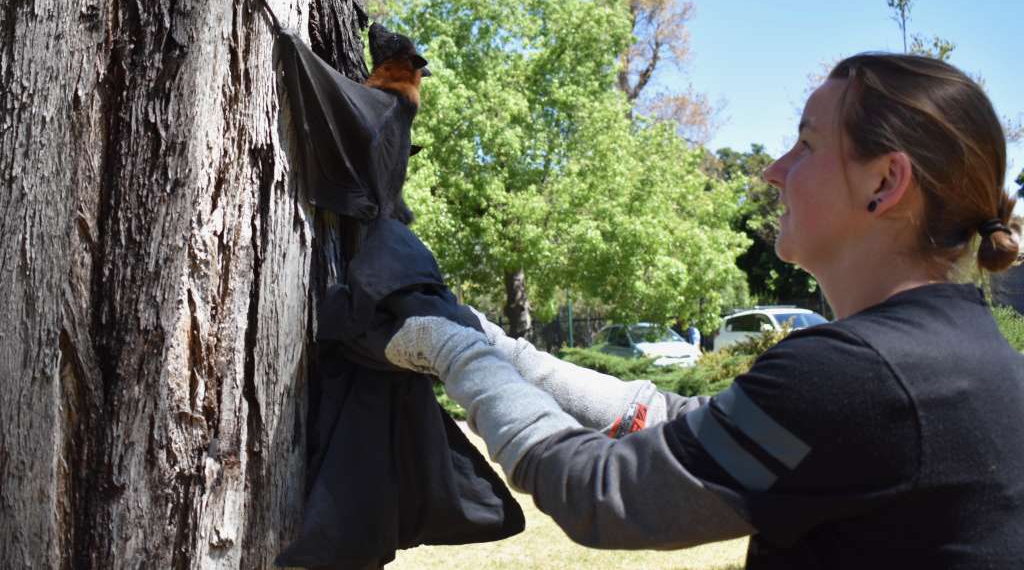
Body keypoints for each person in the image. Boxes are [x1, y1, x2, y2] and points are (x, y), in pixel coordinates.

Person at [379, 53, 1024, 569]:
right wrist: (503, 349)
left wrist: (454, 352)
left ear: (885, 182)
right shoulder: (968, 361)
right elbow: (692, 423)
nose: (775, 171)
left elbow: (599, 492)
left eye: (805, 145)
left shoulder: (861, 376)